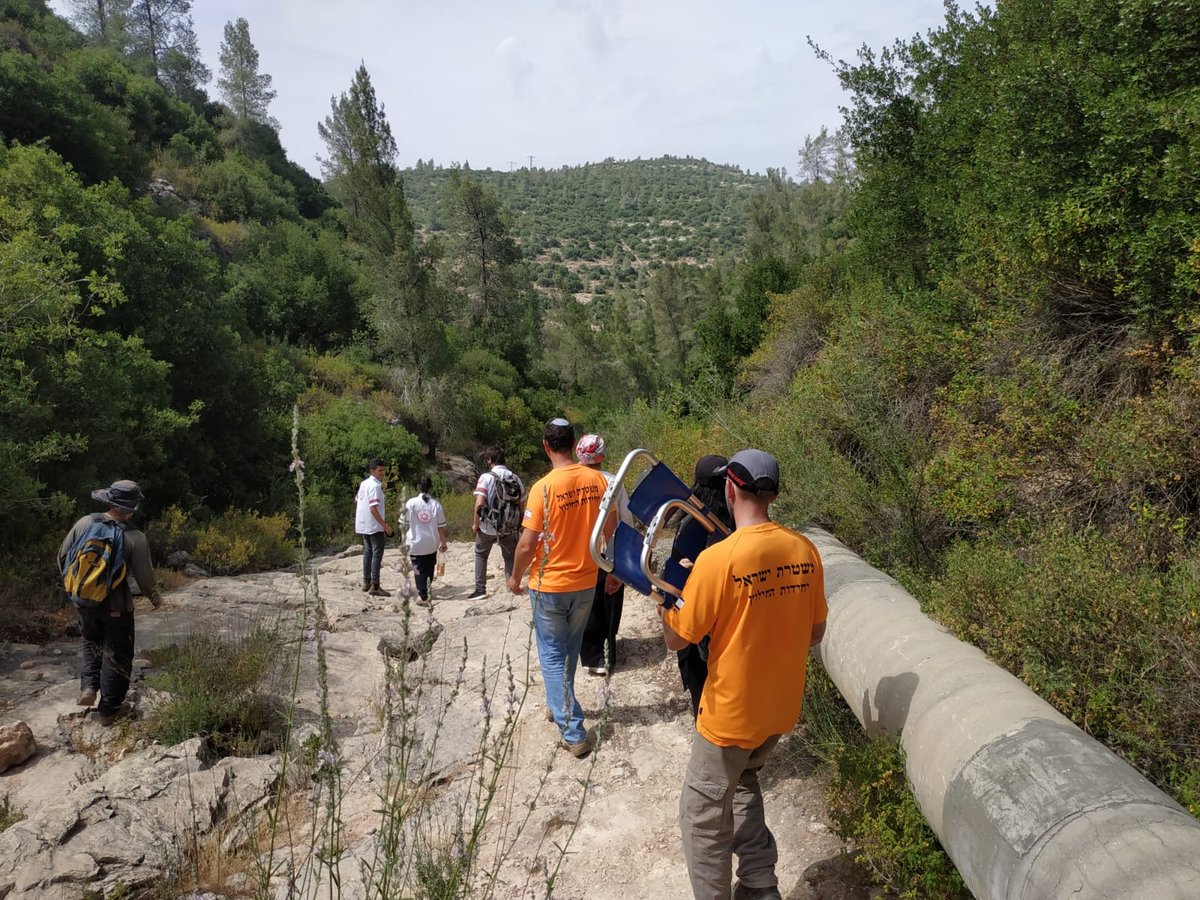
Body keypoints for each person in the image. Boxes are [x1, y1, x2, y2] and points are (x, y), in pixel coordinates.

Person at [660, 449, 827, 900]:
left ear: (731, 488)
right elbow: (815, 632)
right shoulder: (804, 549)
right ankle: (758, 885)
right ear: (773, 494)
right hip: (778, 712)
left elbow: (678, 640)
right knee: (744, 783)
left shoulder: (718, 560)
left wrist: (671, 599)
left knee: (701, 819)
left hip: (730, 716)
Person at [507, 418, 611, 758]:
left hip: (549, 583)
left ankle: (572, 729)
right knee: (569, 648)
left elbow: (526, 544)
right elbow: (609, 527)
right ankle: (558, 702)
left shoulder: (543, 488)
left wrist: (514, 577)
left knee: (552, 655)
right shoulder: (597, 480)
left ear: (546, 445)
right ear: (572, 443)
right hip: (585, 581)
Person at [58, 480, 162, 726]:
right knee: (118, 653)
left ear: (108, 500)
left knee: (91, 641)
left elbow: (62, 555)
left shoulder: (85, 523)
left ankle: (89, 687)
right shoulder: (135, 537)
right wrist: (155, 598)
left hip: (83, 602)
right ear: (132, 507)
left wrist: (77, 588)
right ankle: (110, 710)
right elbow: (145, 577)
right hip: (116, 606)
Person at [672, 454, 735, 716]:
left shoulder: (688, 522)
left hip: (695, 623)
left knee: (702, 695)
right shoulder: (738, 524)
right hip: (731, 627)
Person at [575, 433, 632, 677]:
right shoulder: (613, 481)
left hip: (579, 552)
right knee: (609, 601)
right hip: (608, 551)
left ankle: (589, 655)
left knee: (586, 605)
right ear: (602, 455)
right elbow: (626, 519)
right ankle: (605, 656)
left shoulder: (573, 481)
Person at [469, 448, 525, 601]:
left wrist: (476, 525)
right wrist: (518, 525)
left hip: (488, 526)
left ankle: (480, 590)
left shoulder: (486, 478)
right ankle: (511, 585)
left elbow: (479, 504)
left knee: (481, 555)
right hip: (508, 527)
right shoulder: (515, 478)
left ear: (489, 460)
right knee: (509, 556)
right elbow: (521, 505)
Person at [404, 475, 448, 607]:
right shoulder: (436, 504)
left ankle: (423, 596)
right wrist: (443, 542)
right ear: (430, 487)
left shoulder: (411, 503)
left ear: (418, 486)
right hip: (431, 542)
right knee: (429, 567)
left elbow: (404, 522)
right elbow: (440, 527)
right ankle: (427, 589)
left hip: (416, 542)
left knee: (419, 570)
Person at [356, 459, 394, 597]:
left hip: (363, 523)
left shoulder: (364, 483)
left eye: (384, 470)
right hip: (374, 524)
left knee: (368, 552)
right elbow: (373, 508)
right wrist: (385, 526)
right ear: (372, 471)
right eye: (380, 470)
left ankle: (366, 581)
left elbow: (358, 501)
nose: (383, 473)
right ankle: (375, 585)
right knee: (376, 554)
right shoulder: (375, 486)